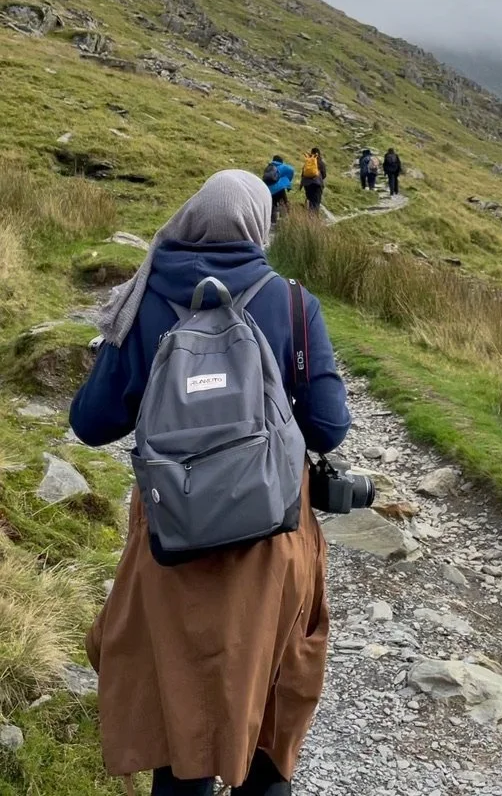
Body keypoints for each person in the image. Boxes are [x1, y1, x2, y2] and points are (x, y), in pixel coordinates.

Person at [69, 170, 351, 796]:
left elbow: (90, 425)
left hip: (172, 536)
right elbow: (330, 428)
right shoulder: (293, 303)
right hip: (272, 542)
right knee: (271, 698)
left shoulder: (145, 297)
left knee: (183, 718)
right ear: (258, 225)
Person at [263, 155, 295, 224]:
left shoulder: (268, 167)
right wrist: (288, 182)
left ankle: (273, 222)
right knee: (284, 203)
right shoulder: (282, 166)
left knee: (273, 205)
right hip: (279, 189)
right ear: (281, 161)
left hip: (269, 190)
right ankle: (284, 221)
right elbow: (291, 170)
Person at [300, 147, 326, 213]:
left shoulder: (308, 161)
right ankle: (313, 219)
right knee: (316, 202)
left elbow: (303, 173)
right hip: (317, 184)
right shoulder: (320, 162)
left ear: (311, 153)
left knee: (310, 200)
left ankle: (309, 216)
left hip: (307, 184)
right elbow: (324, 175)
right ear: (319, 154)